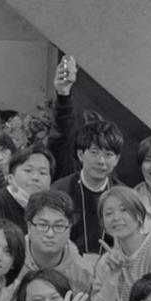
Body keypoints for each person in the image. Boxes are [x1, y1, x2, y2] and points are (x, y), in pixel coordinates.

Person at [50, 99, 125, 256]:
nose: (101, 161)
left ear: (117, 160)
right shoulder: (60, 190)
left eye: (108, 155)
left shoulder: (123, 194)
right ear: (80, 155)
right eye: (94, 152)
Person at [17, 189, 94, 297]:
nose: (50, 234)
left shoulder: (83, 273)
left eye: (59, 226)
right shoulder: (10, 260)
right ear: (29, 226)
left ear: (69, 228)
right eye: (43, 225)